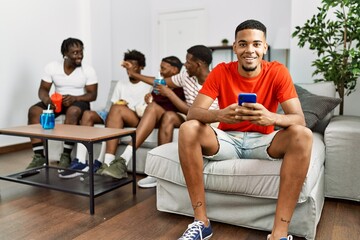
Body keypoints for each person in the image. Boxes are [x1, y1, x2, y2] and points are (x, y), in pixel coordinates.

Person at [177, 20, 312, 240]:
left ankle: (279, 234)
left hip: (264, 141)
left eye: (256, 44)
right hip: (227, 140)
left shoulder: (278, 71)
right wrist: (220, 115)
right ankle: (201, 223)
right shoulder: (221, 71)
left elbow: (300, 119)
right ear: (235, 47)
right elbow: (193, 113)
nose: (249, 50)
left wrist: (271, 117)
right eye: (243, 44)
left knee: (302, 135)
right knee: (188, 128)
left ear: (265, 48)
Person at [104, 45, 219, 181]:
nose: (185, 65)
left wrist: (170, 93)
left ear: (198, 64)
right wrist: (134, 74)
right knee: (153, 107)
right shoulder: (186, 77)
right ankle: (125, 160)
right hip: (188, 116)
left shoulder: (216, 80)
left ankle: (159, 175)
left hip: (209, 120)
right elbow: (159, 82)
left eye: (188, 62)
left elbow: (198, 113)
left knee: (169, 116)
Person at [59, 55, 185, 179]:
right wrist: (149, 99)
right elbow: (154, 97)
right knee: (117, 109)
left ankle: (125, 159)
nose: (160, 71)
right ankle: (108, 163)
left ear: (174, 70)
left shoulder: (181, 83)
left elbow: (180, 106)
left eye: (163, 68)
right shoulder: (159, 84)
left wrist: (156, 95)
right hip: (148, 116)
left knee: (153, 108)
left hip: (165, 115)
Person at [26, 37, 98, 170]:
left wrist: (75, 98)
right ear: (65, 54)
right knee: (34, 111)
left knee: (73, 111)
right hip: (57, 102)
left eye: (81, 52)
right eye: (75, 53)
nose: (79, 56)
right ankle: (39, 156)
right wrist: (48, 100)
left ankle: (66, 155)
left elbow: (92, 95)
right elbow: (43, 90)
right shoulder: (52, 67)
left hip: (79, 102)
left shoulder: (88, 70)